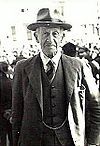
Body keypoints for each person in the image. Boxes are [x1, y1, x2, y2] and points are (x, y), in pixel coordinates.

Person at [12, 8, 100, 146]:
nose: (50, 39)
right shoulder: (22, 68)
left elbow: (96, 106)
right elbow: (17, 114)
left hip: (70, 141)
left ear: (62, 37)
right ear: (36, 37)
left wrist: (93, 143)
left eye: (55, 34)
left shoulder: (79, 66)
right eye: (45, 34)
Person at [0, 61, 12, 146]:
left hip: (1, 113)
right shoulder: (12, 82)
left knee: (2, 137)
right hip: (11, 112)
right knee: (12, 136)